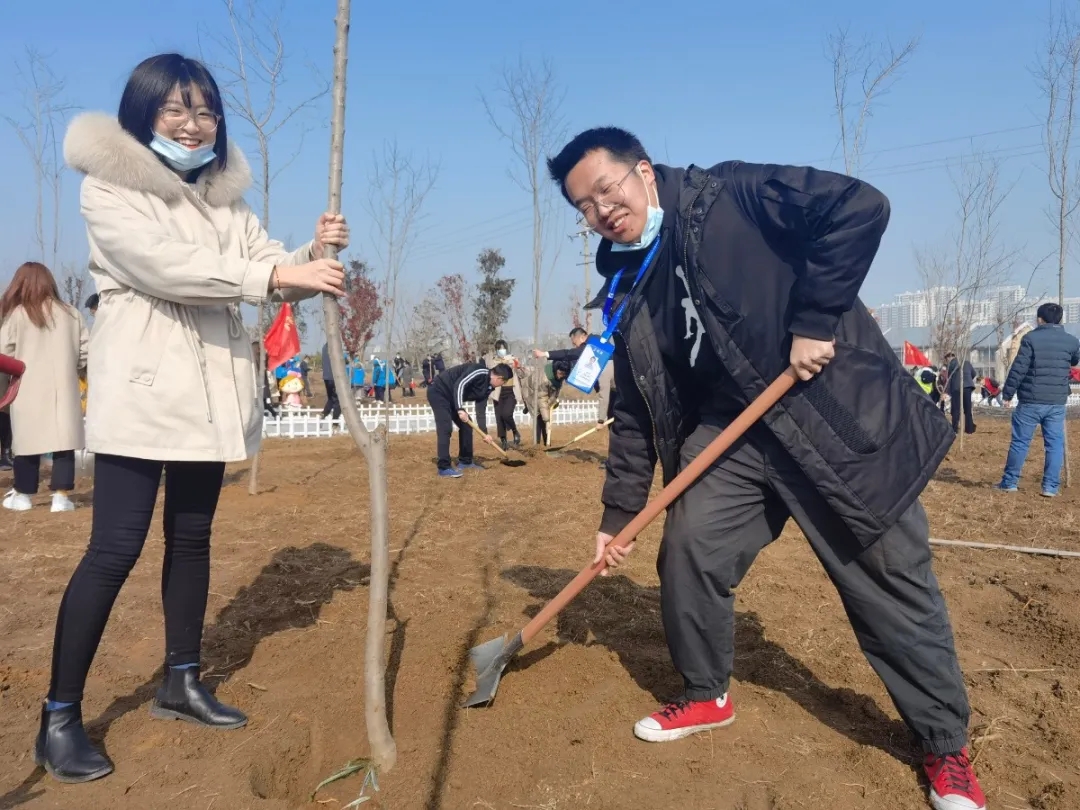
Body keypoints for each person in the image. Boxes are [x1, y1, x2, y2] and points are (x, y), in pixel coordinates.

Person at [546, 127, 984, 810]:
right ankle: (703, 693)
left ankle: (945, 745)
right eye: (585, 207)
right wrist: (618, 515)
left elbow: (860, 206)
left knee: (887, 580)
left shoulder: (731, 197)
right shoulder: (627, 283)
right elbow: (632, 406)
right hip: (732, 434)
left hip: (823, 412)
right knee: (690, 549)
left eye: (607, 189)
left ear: (643, 171)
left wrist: (814, 318)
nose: (601, 210)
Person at [41, 53, 348, 784]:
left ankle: (181, 679)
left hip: (211, 392)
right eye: (175, 108)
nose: (191, 122)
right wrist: (274, 274)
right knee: (114, 548)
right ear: (142, 114)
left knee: (193, 536)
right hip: (145, 390)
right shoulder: (109, 191)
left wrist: (313, 253)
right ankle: (59, 716)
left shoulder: (226, 201)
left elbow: (270, 264)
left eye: (204, 109)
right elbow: (161, 266)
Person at [0, 262, 88, 513]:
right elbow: (85, 353)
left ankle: (24, 494)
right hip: (64, 386)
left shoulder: (17, 315)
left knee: (27, 441)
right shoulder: (72, 313)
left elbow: (4, 354)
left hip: (27, 387)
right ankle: (61, 497)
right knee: (64, 441)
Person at [997, 302, 1080, 496]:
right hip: (1056, 402)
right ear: (1060, 319)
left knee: (1020, 442)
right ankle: (1050, 487)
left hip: (1030, 400)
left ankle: (1009, 482)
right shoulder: (1071, 341)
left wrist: (1008, 393)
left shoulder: (1031, 338)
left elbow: (1019, 368)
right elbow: (1074, 360)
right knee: (1054, 444)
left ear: (1040, 319)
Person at [428, 361, 511, 477]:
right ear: (499, 378)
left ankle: (465, 461)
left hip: (452, 396)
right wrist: (460, 409)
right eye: (504, 382)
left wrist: (485, 434)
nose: (502, 385)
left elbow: (480, 410)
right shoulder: (479, 372)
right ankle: (444, 467)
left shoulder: (488, 387)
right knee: (445, 427)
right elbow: (460, 385)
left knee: (467, 424)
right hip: (439, 391)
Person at [518, 359, 570, 446]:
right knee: (539, 418)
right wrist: (546, 418)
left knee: (543, 419)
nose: (561, 376)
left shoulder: (558, 378)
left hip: (543, 395)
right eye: (560, 373)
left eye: (564, 375)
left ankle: (547, 443)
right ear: (556, 370)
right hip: (532, 393)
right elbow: (542, 398)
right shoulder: (545, 379)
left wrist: (551, 402)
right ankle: (537, 445)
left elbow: (554, 393)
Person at [484, 339, 523, 450]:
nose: (502, 351)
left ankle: (515, 432)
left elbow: (521, 373)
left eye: (503, 348)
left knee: (506, 414)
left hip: (511, 391)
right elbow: (490, 367)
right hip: (498, 393)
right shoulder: (493, 361)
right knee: (499, 417)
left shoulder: (513, 359)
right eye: (499, 349)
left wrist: (516, 365)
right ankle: (503, 440)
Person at [945, 352, 976, 434]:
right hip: (967, 387)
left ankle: (954, 429)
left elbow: (949, 377)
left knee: (956, 409)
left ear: (950, 357)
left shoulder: (952, 363)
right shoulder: (967, 362)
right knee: (968, 409)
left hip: (956, 387)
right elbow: (974, 373)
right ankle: (969, 429)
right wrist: (967, 379)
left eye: (947, 358)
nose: (947, 360)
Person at [321, 342, 343, 420]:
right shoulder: (334, 346)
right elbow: (342, 360)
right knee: (339, 399)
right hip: (333, 377)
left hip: (326, 377)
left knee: (331, 398)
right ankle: (335, 421)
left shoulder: (324, 347)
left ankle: (324, 413)